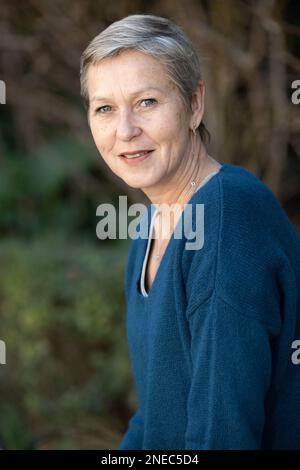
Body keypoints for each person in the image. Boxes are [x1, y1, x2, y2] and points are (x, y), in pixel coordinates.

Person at [80, 14, 300, 450]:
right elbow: (157, 416)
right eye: (105, 108)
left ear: (194, 104)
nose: (125, 130)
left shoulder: (226, 217)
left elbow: (224, 434)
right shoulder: (149, 226)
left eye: (147, 102)